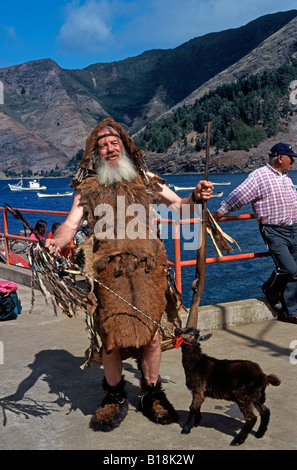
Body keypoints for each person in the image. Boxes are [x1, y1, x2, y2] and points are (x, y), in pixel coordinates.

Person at [45, 117, 213, 431]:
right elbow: (70, 224)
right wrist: (55, 242)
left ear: (124, 145)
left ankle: (151, 392)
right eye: (102, 144)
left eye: (113, 142)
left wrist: (197, 196)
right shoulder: (88, 187)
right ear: (95, 152)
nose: (109, 148)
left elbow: (180, 206)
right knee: (111, 337)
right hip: (109, 273)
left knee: (150, 336)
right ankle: (114, 395)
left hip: (149, 270)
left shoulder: (147, 177)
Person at [212, 142, 297, 324]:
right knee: (289, 269)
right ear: (281, 157)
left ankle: (291, 312)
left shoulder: (287, 178)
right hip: (274, 231)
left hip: (294, 229)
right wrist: (219, 212)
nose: (293, 161)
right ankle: (269, 289)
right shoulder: (259, 176)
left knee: (296, 271)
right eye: (291, 157)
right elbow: (239, 196)